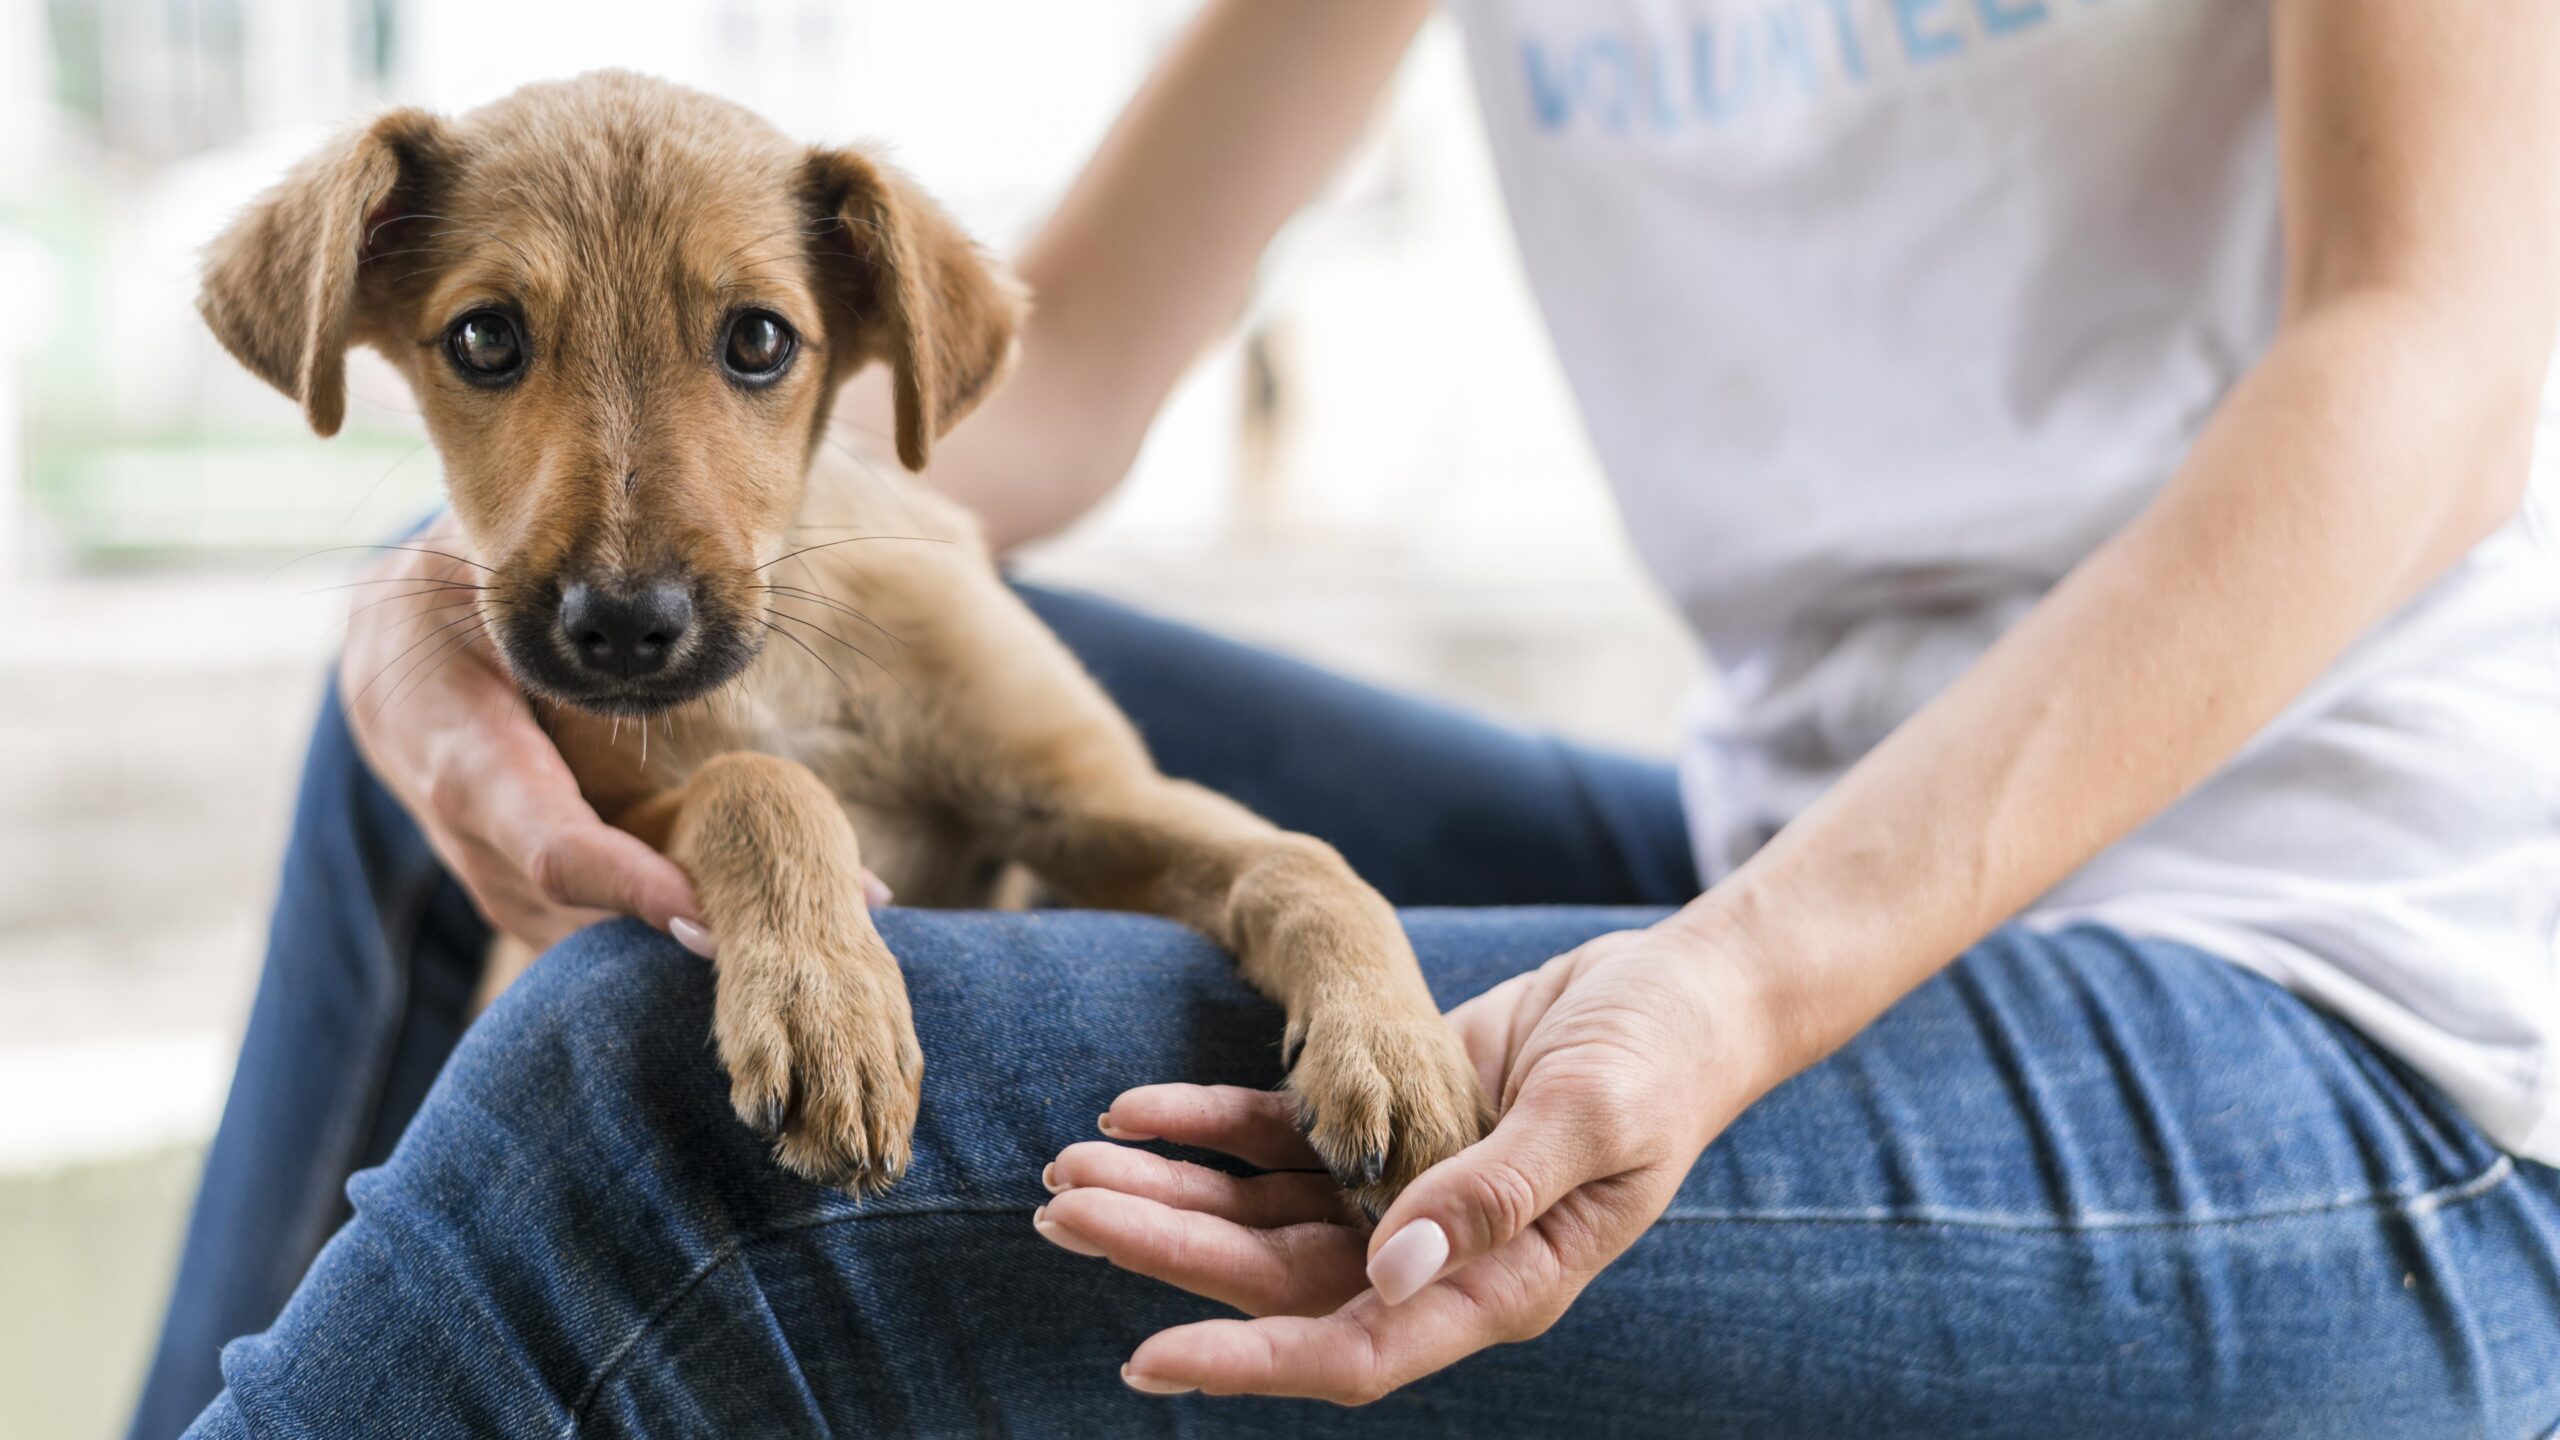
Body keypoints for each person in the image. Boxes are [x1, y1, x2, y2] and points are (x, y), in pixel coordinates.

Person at [132, 1, 2560, 1435]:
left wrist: (1735, 983)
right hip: (1772, 819)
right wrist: (458, 593)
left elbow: (2425, 369)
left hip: (2355, 994)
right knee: (451, 757)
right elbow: (1036, 381)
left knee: (649, 1095)